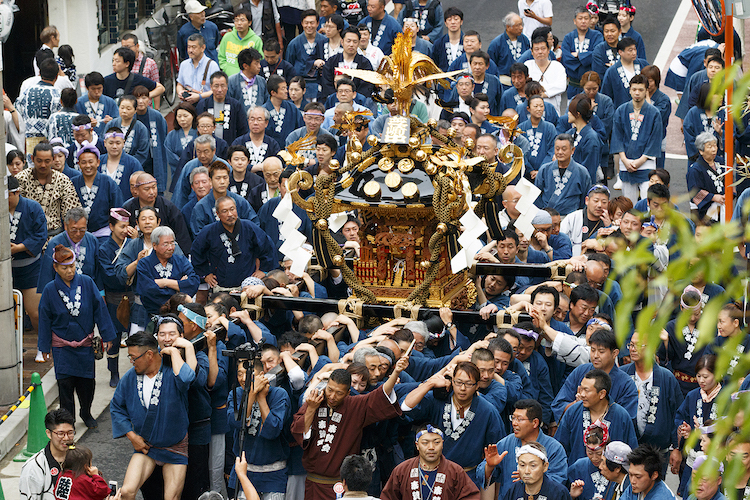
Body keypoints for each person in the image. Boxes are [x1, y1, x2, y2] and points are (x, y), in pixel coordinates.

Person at [290, 359, 407, 500]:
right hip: (313, 484)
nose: (332, 396)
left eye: (339, 393)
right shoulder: (315, 401)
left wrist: (396, 372)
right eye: (330, 390)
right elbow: (299, 433)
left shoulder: (355, 405)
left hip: (341, 487)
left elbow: (379, 396)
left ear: (347, 393)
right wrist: (311, 409)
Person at [110, 331, 197, 500]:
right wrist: (132, 436)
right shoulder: (130, 377)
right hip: (147, 445)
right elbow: (116, 407)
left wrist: (173, 352)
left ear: (149, 354)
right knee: (127, 492)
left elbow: (187, 380)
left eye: (134, 358)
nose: (131, 362)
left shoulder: (173, 371)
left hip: (175, 445)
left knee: (171, 498)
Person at [38, 245, 116, 428]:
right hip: (62, 348)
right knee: (65, 386)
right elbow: (44, 320)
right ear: (55, 268)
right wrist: (43, 347)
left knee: (87, 384)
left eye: (72, 266)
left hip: (85, 345)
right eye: (64, 268)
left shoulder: (87, 282)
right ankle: (68, 420)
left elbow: (100, 310)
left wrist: (108, 335)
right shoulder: (50, 290)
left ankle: (86, 412)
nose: (69, 271)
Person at [402, 362, 504, 477]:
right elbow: (406, 406)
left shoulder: (488, 411)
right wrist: (430, 384)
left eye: (469, 384)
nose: (463, 388)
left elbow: (497, 449)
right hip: (432, 473)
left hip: (467, 476)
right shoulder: (438, 400)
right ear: (452, 381)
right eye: (458, 382)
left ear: (477, 385)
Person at [226, 358, 291, 498]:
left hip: (274, 475)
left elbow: (272, 430)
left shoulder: (279, 395)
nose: (243, 378)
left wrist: (261, 398)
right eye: (239, 374)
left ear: (261, 374)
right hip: (245, 471)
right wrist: (251, 395)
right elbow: (236, 424)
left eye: (248, 373)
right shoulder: (236, 394)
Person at [478, 399, 567, 498]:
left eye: (519, 419)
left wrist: (532, 479)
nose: (514, 423)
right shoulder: (505, 443)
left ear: (535, 423)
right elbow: (481, 475)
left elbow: (559, 480)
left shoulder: (554, 448)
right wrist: (489, 467)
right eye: (513, 418)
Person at [555, 369, 639, 466]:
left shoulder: (621, 416)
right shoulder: (573, 411)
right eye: (581, 389)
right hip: (576, 475)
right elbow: (560, 447)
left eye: (586, 390)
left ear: (602, 394)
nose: (582, 395)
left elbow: (631, 453)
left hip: (612, 477)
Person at [552, 329, 638, 422]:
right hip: (578, 431)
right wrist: (576, 404)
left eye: (601, 351)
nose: (595, 355)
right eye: (592, 350)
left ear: (614, 353)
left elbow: (627, 420)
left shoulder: (626, 383)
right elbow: (559, 405)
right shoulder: (580, 371)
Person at [191, 195, 276, 287]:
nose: (230, 214)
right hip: (220, 285)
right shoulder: (209, 231)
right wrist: (206, 274)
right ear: (218, 214)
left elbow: (267, 246)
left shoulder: (249, 227)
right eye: (225, 211)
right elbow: (196, 252)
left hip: (248, 286)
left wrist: (263, 270)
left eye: (232, 209)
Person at [621, 332, 684, 453]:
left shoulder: (666, 377)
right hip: (627, 447)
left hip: (658, 449)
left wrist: (676, 447)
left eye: (638, 345)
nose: (633, 349)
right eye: (631, 345)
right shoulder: (622, 374)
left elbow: (678, 413)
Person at [380, 424, 480, 500]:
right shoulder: (402, 470)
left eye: (436, 442)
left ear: (442, 444)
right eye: (425, 443)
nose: (431, 447)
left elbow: (470, 497)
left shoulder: (455, 471)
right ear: (417, 445)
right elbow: (388, 497)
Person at [610, 74, 663, 202]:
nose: (637, 93)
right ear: (630, 90)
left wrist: (641, 160)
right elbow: (617, 136)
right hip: (626, 162)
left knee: (648, 202)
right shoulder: (621, 110)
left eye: (641, 90)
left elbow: (655, 139)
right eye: (634, 90)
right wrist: (624, 159)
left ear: (646, 91)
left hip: (646, 163)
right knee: (629, 204)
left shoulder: (654, 112)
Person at [15, 142, 81, 239]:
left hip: (55, 237)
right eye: (39, 161)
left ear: (53, 159)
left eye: (47, 161)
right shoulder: (21, 178)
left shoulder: (62, 180)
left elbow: (72, 212)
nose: (43, 165)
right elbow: (14, 209)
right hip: (26, 237)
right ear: (32, 159)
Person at [8, 175, 48, 333]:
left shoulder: (33, 207)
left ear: (16, 192)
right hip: (6, 269)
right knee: (8, 313)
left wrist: (19, 247)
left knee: (35, 312)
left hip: (30, 267)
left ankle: (42, 346)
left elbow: (41, 235)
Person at [134, 226, 200, 317]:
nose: (170, 248)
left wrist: (166, 282)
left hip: (180, 316)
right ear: (155, 245)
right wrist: (179, 289)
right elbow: (147, 291)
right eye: (165, 244)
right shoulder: (144, 263)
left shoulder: (181, 260)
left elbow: (194, 283)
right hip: (153, 315)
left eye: (172, 243)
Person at [122, 172, 192, 253]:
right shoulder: (128, 208)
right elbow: (119, 234)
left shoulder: (168, 207)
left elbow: (182, 235)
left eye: (154, 187)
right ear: (136, 190)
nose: (152, 192)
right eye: (147, 189)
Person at [36, 207, 101, 293]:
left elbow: (98, 272)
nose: (78, 234)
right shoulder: (54, 243)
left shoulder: (92, 240)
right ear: (66, 226)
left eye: (82, 230)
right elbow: (46, 276)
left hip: (88, 292)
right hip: (61, 292)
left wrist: (100, 293)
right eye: (74, 230)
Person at [19, 409, 76, 500]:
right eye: (61, 434)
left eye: (70, 433)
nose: (66, 438)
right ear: (49, 434)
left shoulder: (79, 457)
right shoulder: (34, 467)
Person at [190, 162, 259, 235]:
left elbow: (254, 225)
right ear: (210, 181)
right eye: (218, 178)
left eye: (225, 177)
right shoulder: (201, 207)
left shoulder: (240, 201)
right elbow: (199, 236)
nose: (222, 182)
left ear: (229, 180)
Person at [71, 143, 124, 236]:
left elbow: (117, 208)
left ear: (98, 162)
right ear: (79, 164)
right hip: (78, 234)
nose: (87, 165)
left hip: (104, 233)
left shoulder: (108, 182)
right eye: (83, 162)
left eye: (91, 161)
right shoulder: (73, 183)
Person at [535, 134, 592, 216]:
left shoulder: (582, 172)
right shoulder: (544, 169)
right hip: (547, 216)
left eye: (564, 149)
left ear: (572, 150)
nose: (560, 152)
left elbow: (585, 197)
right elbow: (537, 194)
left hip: (571, 217)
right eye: (557, 149)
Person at [501, 442, 572, 500]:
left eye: (533, 465)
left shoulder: (559, 492)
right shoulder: (514, 490)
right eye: (522, 465)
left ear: (545, 466)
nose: (527, 471)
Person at [132, 86, 170, 193]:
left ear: (149, 99)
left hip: (154, 158)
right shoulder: (131, 116)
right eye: (137, 98)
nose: (140, 101)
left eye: (144, 98)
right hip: (138, 158)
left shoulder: (156, 116)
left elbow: (163, 139)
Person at [16, 58, 62, 147]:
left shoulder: (27, 92)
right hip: (50, 143)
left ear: (40, 73)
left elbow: (17, 112)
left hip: (29, 140)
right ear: (57, 76)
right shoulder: (58, 94)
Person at [320, 27, 374, 101]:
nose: (351, 44)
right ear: (342, 42)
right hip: (335, 101)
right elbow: (326, 84)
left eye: (355, 42)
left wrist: (352, 99)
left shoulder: (365, 63)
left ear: (358, 43)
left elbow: (366, 87)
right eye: (348, 41)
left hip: (357, 102)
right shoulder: (332, 61)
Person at [196, 71, 249, 145]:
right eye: (216, 86)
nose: (220, 90)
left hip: (230, 146)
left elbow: (243, 129)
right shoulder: (203, 104)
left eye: (223, 85)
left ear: (227, 86)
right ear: (211, 87)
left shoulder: (235, 105)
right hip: (206, 147)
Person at [561, 7, 604, 99]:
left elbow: (596, 55)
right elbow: (566, 58)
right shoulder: (568, 37)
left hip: (591, 86)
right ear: (574, 21)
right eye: (580, 18)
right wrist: (586, 59)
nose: (583, 21)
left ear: (590, 20)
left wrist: (578, 55)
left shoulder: (597, 36)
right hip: (573, 84)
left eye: (586, 18)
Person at [286, 9, 328, 101]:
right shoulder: (294, 43)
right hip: (300, 83)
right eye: (306, 23)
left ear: (317, 23)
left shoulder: (324, 41)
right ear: (302, 23)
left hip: (319, 82)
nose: (309, 26)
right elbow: (289, 65)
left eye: (312, 23)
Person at [560, 184, 611, 256]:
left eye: (604, 202)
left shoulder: (611, 221)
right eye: (596, 201)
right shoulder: (573, 218)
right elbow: (561, 241)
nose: (599, 205)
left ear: (608, 203)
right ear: (587, 200)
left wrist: (609, 227)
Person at [601, 38, 649, 109]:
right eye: (630, 50)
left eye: (635, 49)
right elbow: (606, 95)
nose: (634, 53)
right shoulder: (612, 71)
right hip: (621, 113)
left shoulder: (643, 65)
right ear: (620, 52)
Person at [99, 128, 144, 202]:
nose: (114, 146)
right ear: (105, 143)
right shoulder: (99, 161)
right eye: (111, 143)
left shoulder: (133, 163)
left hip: (126, 207)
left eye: (118, 143)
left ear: (123, 143)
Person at [177, 34, 222, 106]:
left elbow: (217, 90)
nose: (190, 50)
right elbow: (180, 84)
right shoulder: (184, 64)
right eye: (189, 47)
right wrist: (180, 92)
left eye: (194, 47)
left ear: (203, 48)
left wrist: (199, 96)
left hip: (206, 105)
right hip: (188, 106)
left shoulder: (212, 65)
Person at [525, 36, 567, 114]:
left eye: (543, 49)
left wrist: (540, 92)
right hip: (532, 112)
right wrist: (542, 93)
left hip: (553, 111)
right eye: (536, 49)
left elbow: (561, 86)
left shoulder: (557, 66)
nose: (540, 52)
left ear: (548, 50)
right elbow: (525, 87)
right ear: (532, 52)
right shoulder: (527, 65)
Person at [105, 95, 149, 165]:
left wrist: (129, 164)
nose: (124, 111)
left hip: (132, 165)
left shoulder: (141, 128)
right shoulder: (111, 124)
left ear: (135, 110)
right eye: (122, 108)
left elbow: (142, 152)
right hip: (111, 163)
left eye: (128, 109)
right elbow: (104, 144)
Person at [218, 9, 264, 76]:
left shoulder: (256, 40)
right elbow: (221, 57)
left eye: (242, 20)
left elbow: (259, 60)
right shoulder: (227, 37)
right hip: (229, 76)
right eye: (236, 20)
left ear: (249, 23)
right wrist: (226, 69)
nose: (239, 23)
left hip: (248, 77)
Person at [518, 95, 556, 175]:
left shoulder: (550, 127)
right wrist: (530, 170)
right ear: (528, 109)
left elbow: (552, 149)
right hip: (524, 172)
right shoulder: (520, 128)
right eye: (535, 106)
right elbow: (519, 151)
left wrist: (541, 170)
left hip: (545, 172)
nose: (539, 109)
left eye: (541, 106)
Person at [264, 75, 304, 145]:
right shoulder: (263, 110)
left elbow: (301, 129)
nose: (286, 91)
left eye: (286, 88)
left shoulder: (292, 108)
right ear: (273, 92)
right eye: (283, 89)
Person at [76, 72, 120, 136]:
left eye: (99, 88)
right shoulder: (78, 103)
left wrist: (112, 122)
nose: (97, 92)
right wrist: (86, 124)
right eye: (93, 89)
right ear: (87, 88)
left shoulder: (110, 102)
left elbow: (119, 121)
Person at [165, 104, 198, 181]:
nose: (182, 119)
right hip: (178, 172)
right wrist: (182, 164)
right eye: (179, 116)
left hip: (197, 172)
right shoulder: (171, 135)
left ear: (193, 116)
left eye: (185, 116)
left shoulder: (198, 133)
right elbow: (170, 155)